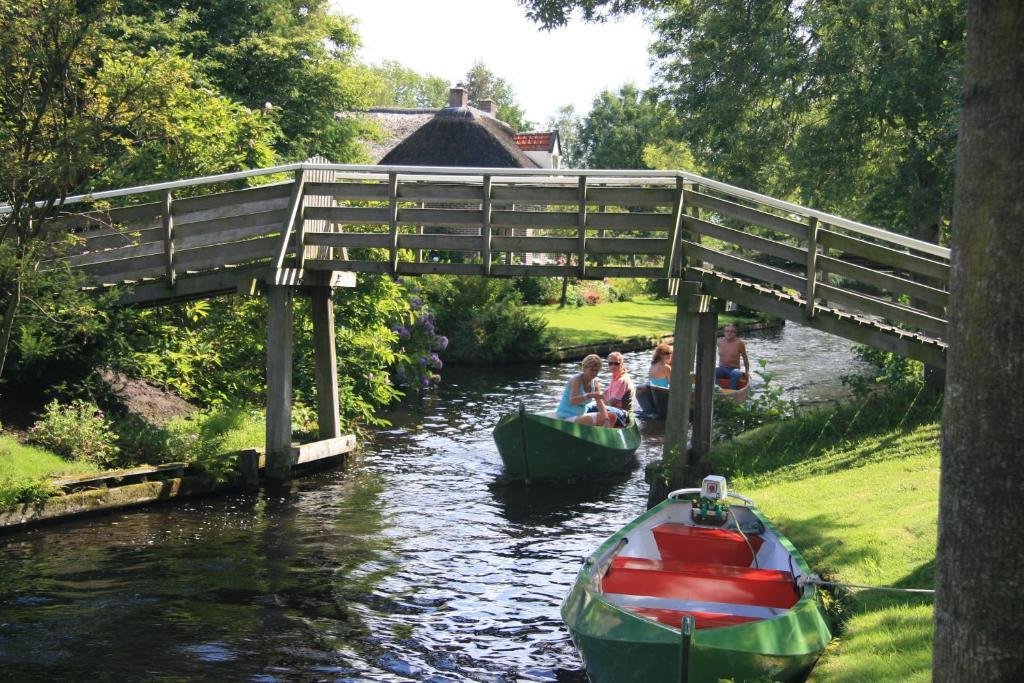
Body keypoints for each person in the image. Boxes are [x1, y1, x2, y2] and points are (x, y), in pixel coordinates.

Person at [556, 354, 613, 427]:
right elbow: (572, 401)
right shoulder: (577, 380)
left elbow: (600, 404)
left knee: (611, 417)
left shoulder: (595, 383)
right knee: (590, 419)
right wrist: (590, 395)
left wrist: (606, 419)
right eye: (592, 370)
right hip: (566, 417)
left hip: (580, 416)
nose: (594, 373)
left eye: (597, 371)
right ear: (584, 368)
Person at [587, 351, 634, 427]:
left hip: (623, 414)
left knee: (591, 407)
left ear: (622, 364)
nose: (613, 366)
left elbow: (611, 402)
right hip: (614, 410)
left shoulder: (622, 380)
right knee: (589, 405)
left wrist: (598, 405)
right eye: (610, 363)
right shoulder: (614, 377)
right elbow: (604, 395)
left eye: (616, 363)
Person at [716, 324, 750, 389]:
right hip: (722, 368)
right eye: (727, 331)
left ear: (735, 333)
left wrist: (747, 372)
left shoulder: (739, 343)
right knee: (712, 372)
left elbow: (745, 357)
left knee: (736, 374)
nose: (729, 333)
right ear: (724, 333)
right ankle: (717, 388)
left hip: (734, 369)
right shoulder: (719, 342)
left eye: (732, 331)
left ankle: (731, 391)